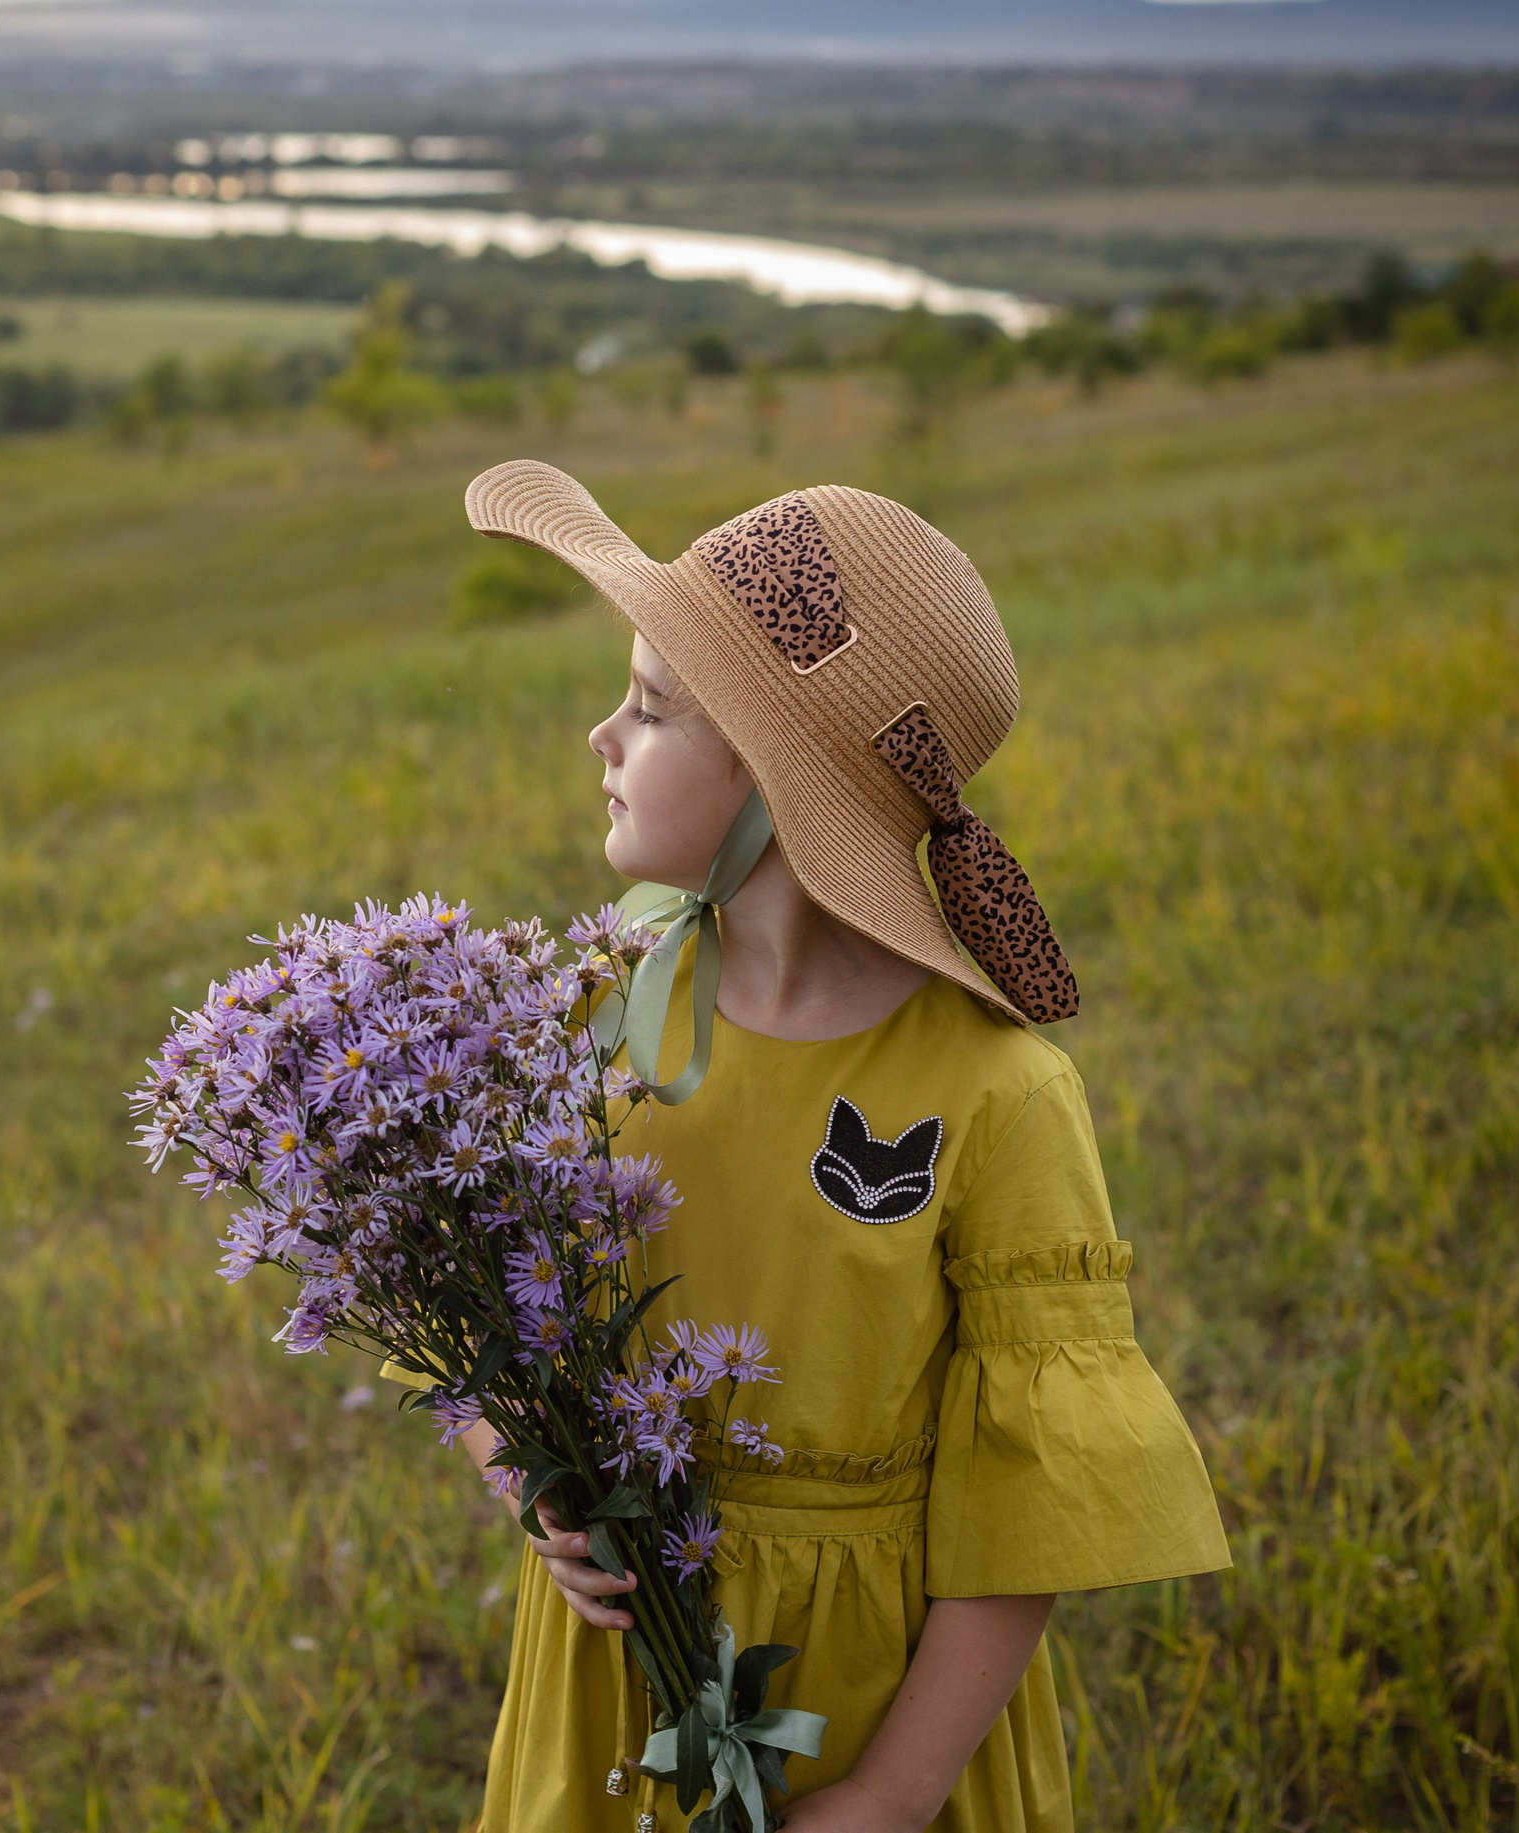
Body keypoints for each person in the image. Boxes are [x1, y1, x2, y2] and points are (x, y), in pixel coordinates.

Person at [396, 464, 1231, 1833]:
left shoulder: (997, 1092)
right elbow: (480, 1304)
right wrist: (530, 1476)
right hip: (616, 1680)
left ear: (783, 785)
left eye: (654, 707)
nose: (600, 732)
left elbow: (1024, 1498)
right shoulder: (596, 1015)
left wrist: (895, 1795)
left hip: (870, 1700)